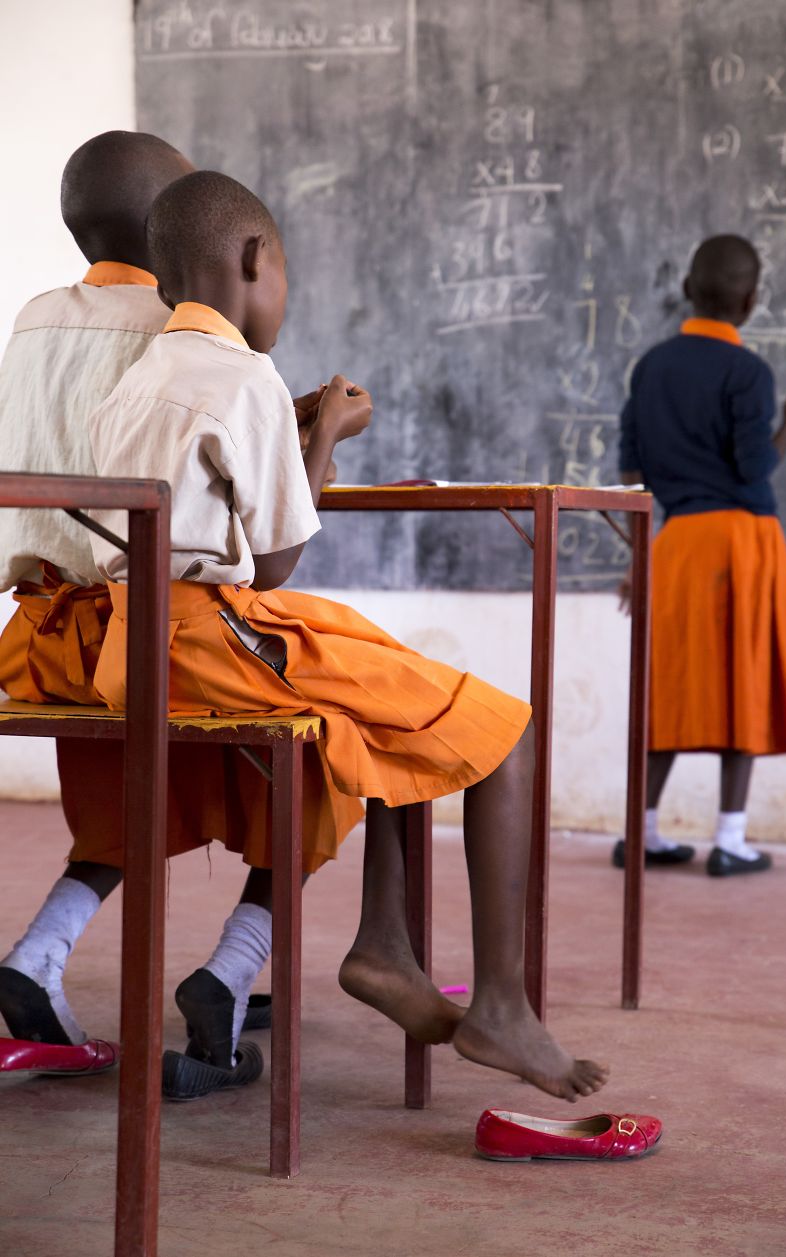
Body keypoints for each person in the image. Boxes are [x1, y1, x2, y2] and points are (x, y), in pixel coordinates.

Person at [88, 169, 609, 1103]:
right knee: (503, 729)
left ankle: (385, 948)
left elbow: (197, 497)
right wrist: (326, 431)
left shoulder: (141, 376)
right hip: (209, 637)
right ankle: (499, 1003)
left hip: (134, 640)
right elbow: (279, 561)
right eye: (283, 270)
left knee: (403, 694)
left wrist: (293, 435)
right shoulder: (246, 373)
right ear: (256, 262)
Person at [0, 132, 305, 1082]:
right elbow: (251, 523)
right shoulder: (178, 328)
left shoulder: (33, 319)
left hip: (36, 633)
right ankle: (238, 960)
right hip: (137, 628)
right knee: (297, 760)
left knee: (134, 802)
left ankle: (39, 955)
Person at [616, 234, 786, 877]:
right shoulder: (749, 373)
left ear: (686, 289)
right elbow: (755, 465)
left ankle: (643, 832)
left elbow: (632, 470)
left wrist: (636, 559)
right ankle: (730, 839)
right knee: (744, 679)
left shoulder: (650, 367)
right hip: (740, 539)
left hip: (674, 540)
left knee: (671, 685)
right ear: (752, 299)